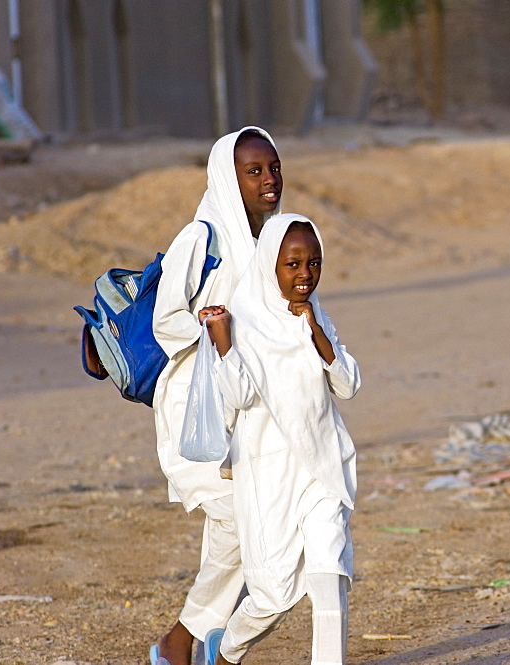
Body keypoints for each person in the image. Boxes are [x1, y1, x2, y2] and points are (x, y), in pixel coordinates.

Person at [200, 214, 360, 665]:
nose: (304, 275)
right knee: (273, 597)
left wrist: (318, 333)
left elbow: (346, 386)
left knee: (330, 581)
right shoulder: (241, 322)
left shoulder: (315, 314)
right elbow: (239, 396)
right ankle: (226, 650)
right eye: (292, 265)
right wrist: (224, 343)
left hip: (323, 470)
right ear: (271, 265)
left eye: (314, 263)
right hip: (268, 474)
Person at [149, 126, 283, 665]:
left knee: (259, 526)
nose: (268, 181)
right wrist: (212, 328)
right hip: (193, 411)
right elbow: (165, 321)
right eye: (254, 171)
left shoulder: (276, 241)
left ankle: (195, 646)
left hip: (248, 408)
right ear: (229, 179)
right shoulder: (200, 239)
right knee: (233, 517)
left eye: (273, 168)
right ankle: (183, 642)